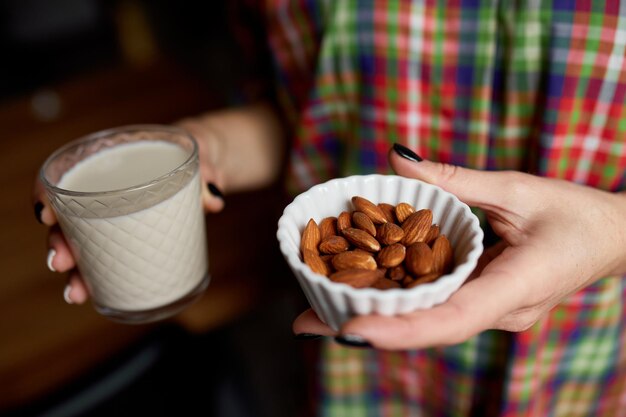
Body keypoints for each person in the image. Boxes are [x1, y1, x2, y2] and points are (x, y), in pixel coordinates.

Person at [34, 1, 626, 416]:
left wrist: (608, 235)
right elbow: (304, 111)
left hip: (577, 361)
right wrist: (211, 147)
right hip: (356, 365)